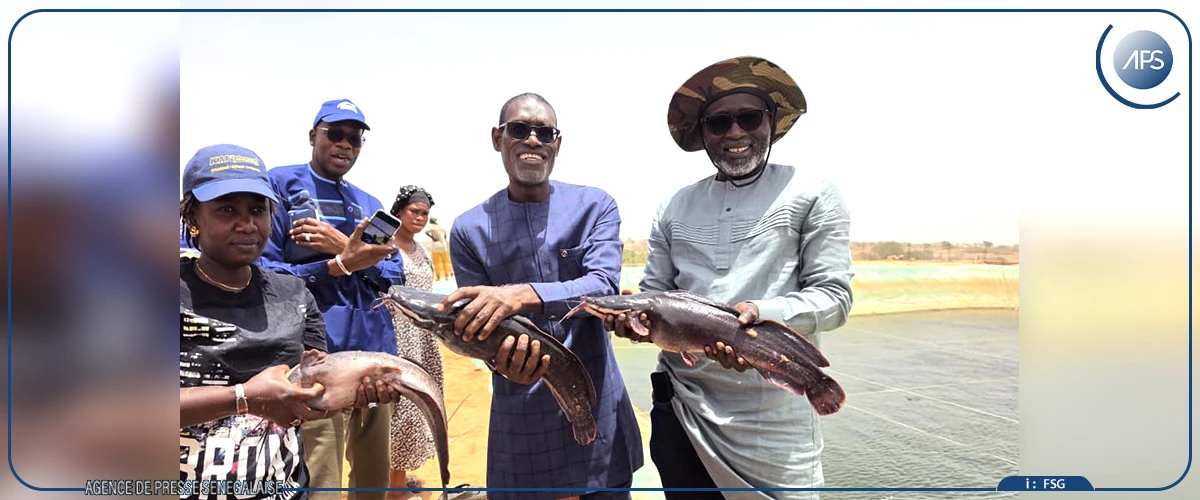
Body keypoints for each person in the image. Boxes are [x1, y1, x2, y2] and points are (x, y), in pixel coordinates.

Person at [608, 57, 854, 499]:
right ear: (703, 133)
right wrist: (635, 321)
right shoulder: (673, 206)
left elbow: (834, 298)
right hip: (684, 412)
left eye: (748, 118)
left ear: (771, 122)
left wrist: (760, 315)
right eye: (719, 122)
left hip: (773, 421)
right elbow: (656, 296)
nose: (735, 133)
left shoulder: (813, 192)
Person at [440, 92, 643, 500]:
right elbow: (475, 333)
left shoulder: (595, 206)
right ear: (498, 138)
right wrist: (501, 363)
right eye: (520, 130)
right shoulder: (469, 230)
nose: (533, 140)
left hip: (597, 404)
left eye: (544, 132)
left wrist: (522, 295)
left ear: (558, 143)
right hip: (522, 427)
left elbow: (602, 286)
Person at [179, 144, 401, 500]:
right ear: (193, 218)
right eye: (226, 209)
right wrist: (241, 398)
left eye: (257, 209)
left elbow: (311, 386)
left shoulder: (295, 294)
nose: (247, 224)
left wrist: (354, 390)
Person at [259, 99, 405, 500]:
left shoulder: (370, 202)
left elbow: (394, 278)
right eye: (335, 134)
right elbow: (264, 274)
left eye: (354, 138)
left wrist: (345, 250)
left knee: (372, 483)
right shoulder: (279, 184)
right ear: (313, 136)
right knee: (320, 482)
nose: (345, 144)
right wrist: (336, 265)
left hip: (375, 357)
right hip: (317, 360)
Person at [385, 185, 447, 498]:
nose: (420, 217)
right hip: (398, 336)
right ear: (398, 212)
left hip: (422, 337)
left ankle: (399, 478)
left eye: (424, 213)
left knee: (419, 406)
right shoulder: (385, 247)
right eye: (414, 211)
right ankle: (394, 488)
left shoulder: (421, 249)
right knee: (401, 410)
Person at [425, 216, 453, 281]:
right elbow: (445, 236)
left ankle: (438, 277)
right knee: (445, 261)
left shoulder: (432, 227)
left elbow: (426, 232)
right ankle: (447, 276)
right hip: (444, 246)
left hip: (436, 246)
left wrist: (432, 237)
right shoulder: (442, 227)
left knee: (437, 263)